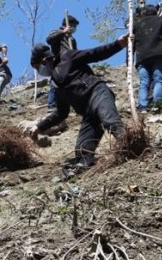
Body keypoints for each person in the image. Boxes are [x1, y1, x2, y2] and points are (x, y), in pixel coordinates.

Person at [20, 35, 129, 175]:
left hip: (98, 93)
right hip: (88, 111)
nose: (39, 71)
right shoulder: (55, 84)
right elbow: (61, 113)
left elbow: (95, 53)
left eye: (37, 67)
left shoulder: (67, 57)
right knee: (82, 149)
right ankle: (83, 168)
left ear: (44, 61)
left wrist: (118, 44)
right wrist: (39, 126)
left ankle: (132, 147)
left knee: (110, 122)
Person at [45, 16, 79, 121]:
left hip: (70, 63)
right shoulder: (56, 31)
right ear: (69, 24)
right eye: (74, 26)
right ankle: (52, 107)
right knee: (55, 83)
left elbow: (75, 51)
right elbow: (49, 40)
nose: (75, 28)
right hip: (59, 62)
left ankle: (72, 106)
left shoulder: (72, 39)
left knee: (70, 84)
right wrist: (63, 32)